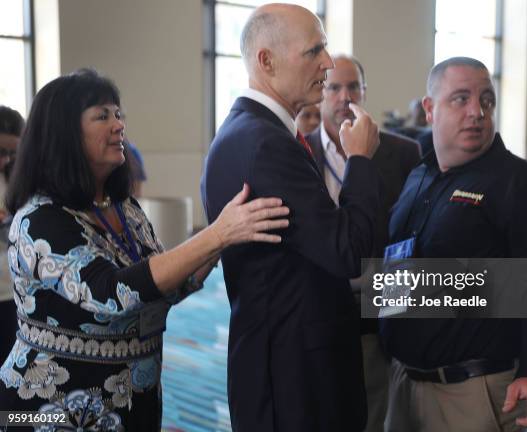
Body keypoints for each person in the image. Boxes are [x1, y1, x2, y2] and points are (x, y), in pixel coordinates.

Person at [0, 69, 289, 430]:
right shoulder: (40, 218)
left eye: (118, 114)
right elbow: (112, 294)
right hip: (49, 408)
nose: (119, 125)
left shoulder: (125, 208)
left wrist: (227, 236)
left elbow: (162, 285)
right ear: (63, 134)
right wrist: (216, 235)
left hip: (132, 399)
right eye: (102, 115)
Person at [201, 4, 381, 431]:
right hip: (295, 377)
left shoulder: (245, 131)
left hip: (283, 360)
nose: (327, 62)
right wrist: (360, 162)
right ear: (267, 60)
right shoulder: (265, 142)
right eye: (314, 50)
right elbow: (348, 251)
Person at [381, 57, 527, 432]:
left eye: (486, 100)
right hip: (404, 384)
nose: (477, 112)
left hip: (474, 393)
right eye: (461, 99)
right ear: (429, 109)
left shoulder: (521, 185)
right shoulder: (418, 176)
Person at [304, 54, 420, 432]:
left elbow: (410, 237)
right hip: (314, 313)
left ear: (365, 93)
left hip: (376, 314)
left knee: (373, 412)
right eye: (333, 87)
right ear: (319, 94)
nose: (344, 97)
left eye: (353, 87)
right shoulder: (296, 152)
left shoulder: (402, 152)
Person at [0, 105, 24, 362]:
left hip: (13, 291)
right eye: (0, 151)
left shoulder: (19, 179)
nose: (5, 159)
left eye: (11, 153)